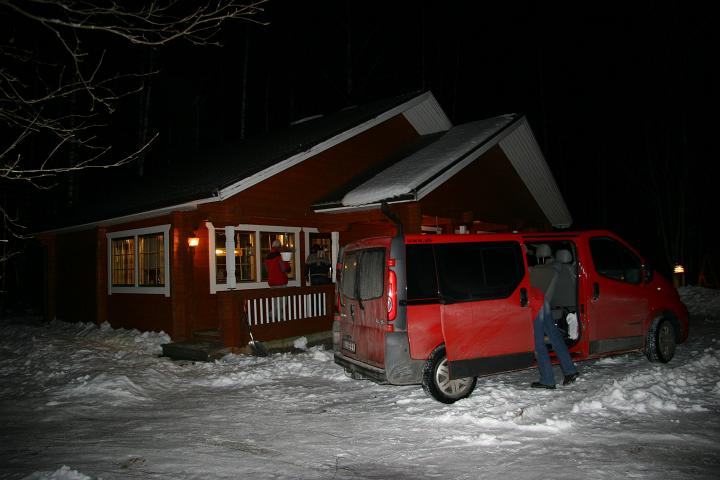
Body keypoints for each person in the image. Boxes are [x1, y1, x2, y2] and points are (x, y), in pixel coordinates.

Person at [530, 286, 579, 389]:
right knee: (555, 337)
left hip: (533, 303)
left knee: (538, 343)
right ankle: (570, 371)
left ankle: (547, 380)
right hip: (540, 298)